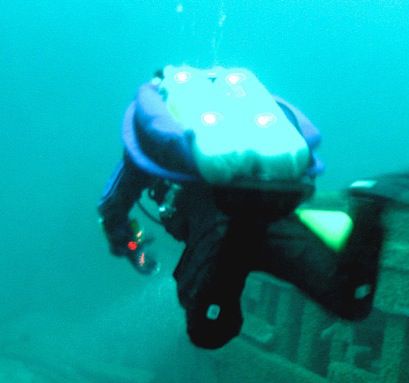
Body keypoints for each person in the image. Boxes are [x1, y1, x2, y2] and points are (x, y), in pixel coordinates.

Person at [98, 65, 386, 350]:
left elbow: (112, 206)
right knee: (351, 304)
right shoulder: (241, 123)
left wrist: (130, 249)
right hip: (273, 211)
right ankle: (368, 206)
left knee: (207, 332)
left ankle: (241, 233)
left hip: (220, 231)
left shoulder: (161, 137)